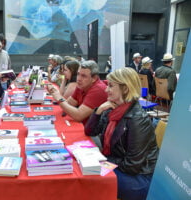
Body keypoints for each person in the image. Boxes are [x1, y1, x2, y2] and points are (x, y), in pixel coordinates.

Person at [84, 67, 159, 200]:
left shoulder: (137, 119)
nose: (106, 90)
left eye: (111, 86)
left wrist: (102, 160)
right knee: (85, 172)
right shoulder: (112, 109)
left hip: (138, 178)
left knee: (89, 179)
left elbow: (132, 166)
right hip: (120, 166)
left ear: (125, 89)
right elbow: (90, 131)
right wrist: (99, 110)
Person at [47, 60, 107, 124]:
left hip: (93, 132)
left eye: (83, 76)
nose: (79, 79)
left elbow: (78, 116)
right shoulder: (82, 86)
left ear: (94, 78)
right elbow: (68, 105)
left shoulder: (98, 89)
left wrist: (59, 98)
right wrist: (56, 94)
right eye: (78, 74)